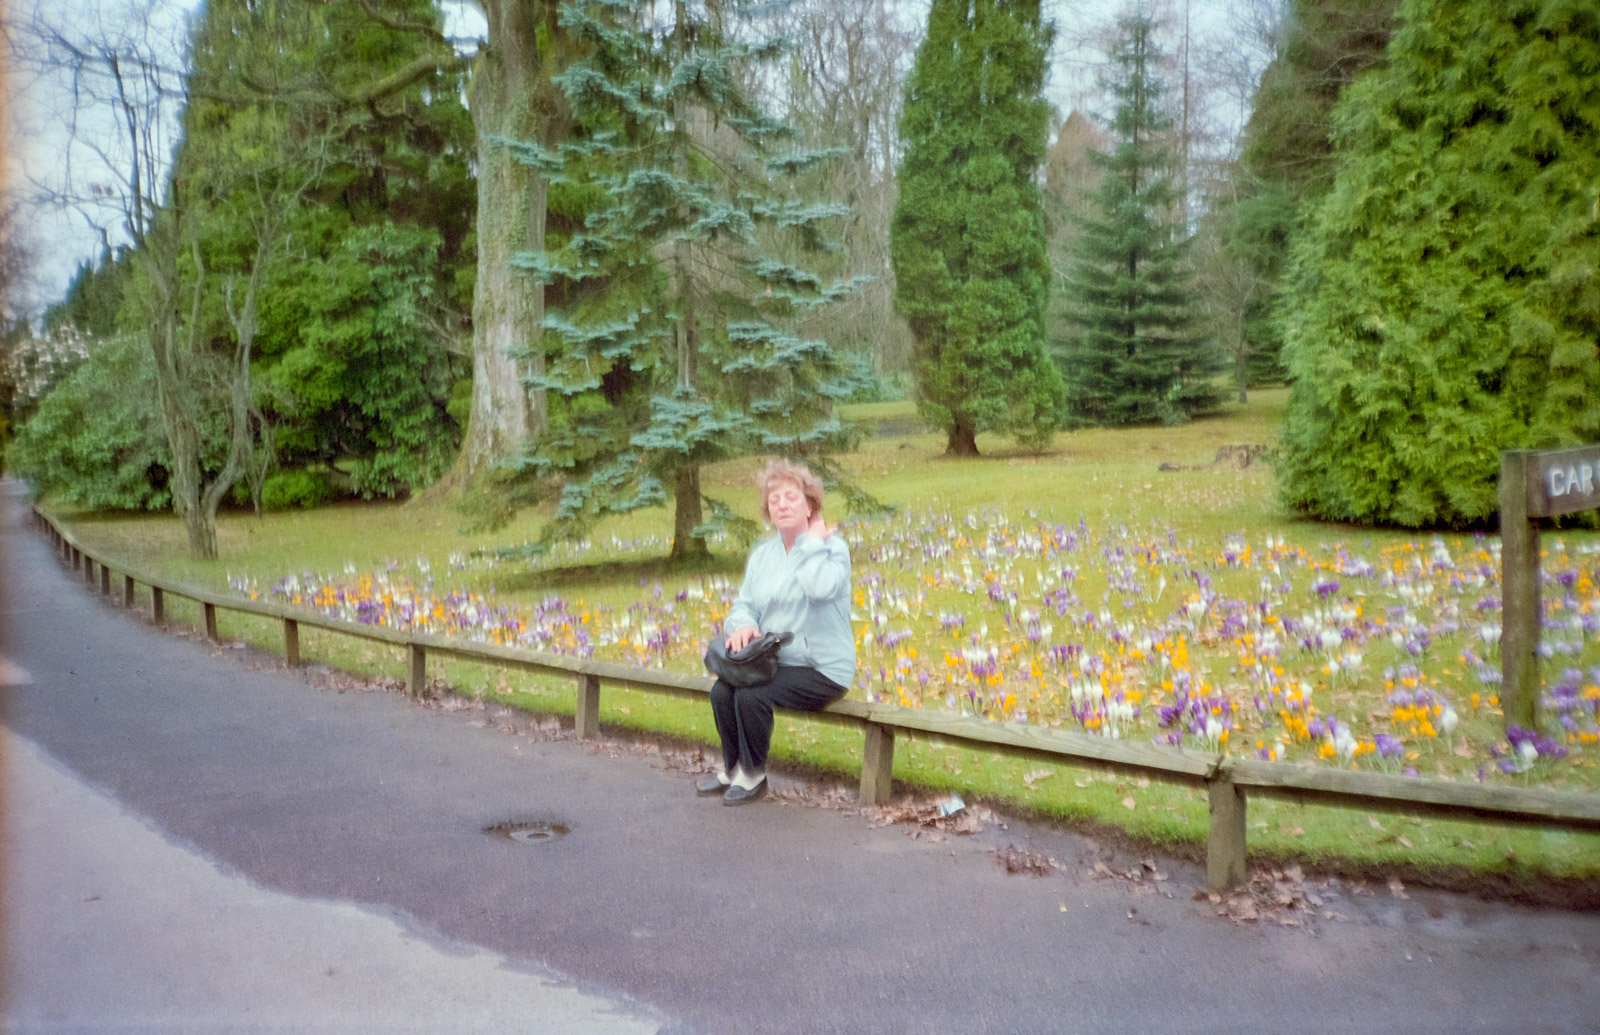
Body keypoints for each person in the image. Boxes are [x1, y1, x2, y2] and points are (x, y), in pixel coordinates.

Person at [698, 459, 855, 805]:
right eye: (774, 500)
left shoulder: (832, 549)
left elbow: (819, 588)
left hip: (822, 667)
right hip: (777, 663)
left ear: (809, 505)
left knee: (752, 696)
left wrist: (811, 545)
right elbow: (744, 603)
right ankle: (734, 769)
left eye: (791, 497)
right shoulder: (763, 554)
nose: (782, 504)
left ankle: (754, 776)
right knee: (722, 691)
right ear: (768, 510)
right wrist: (743, 625)